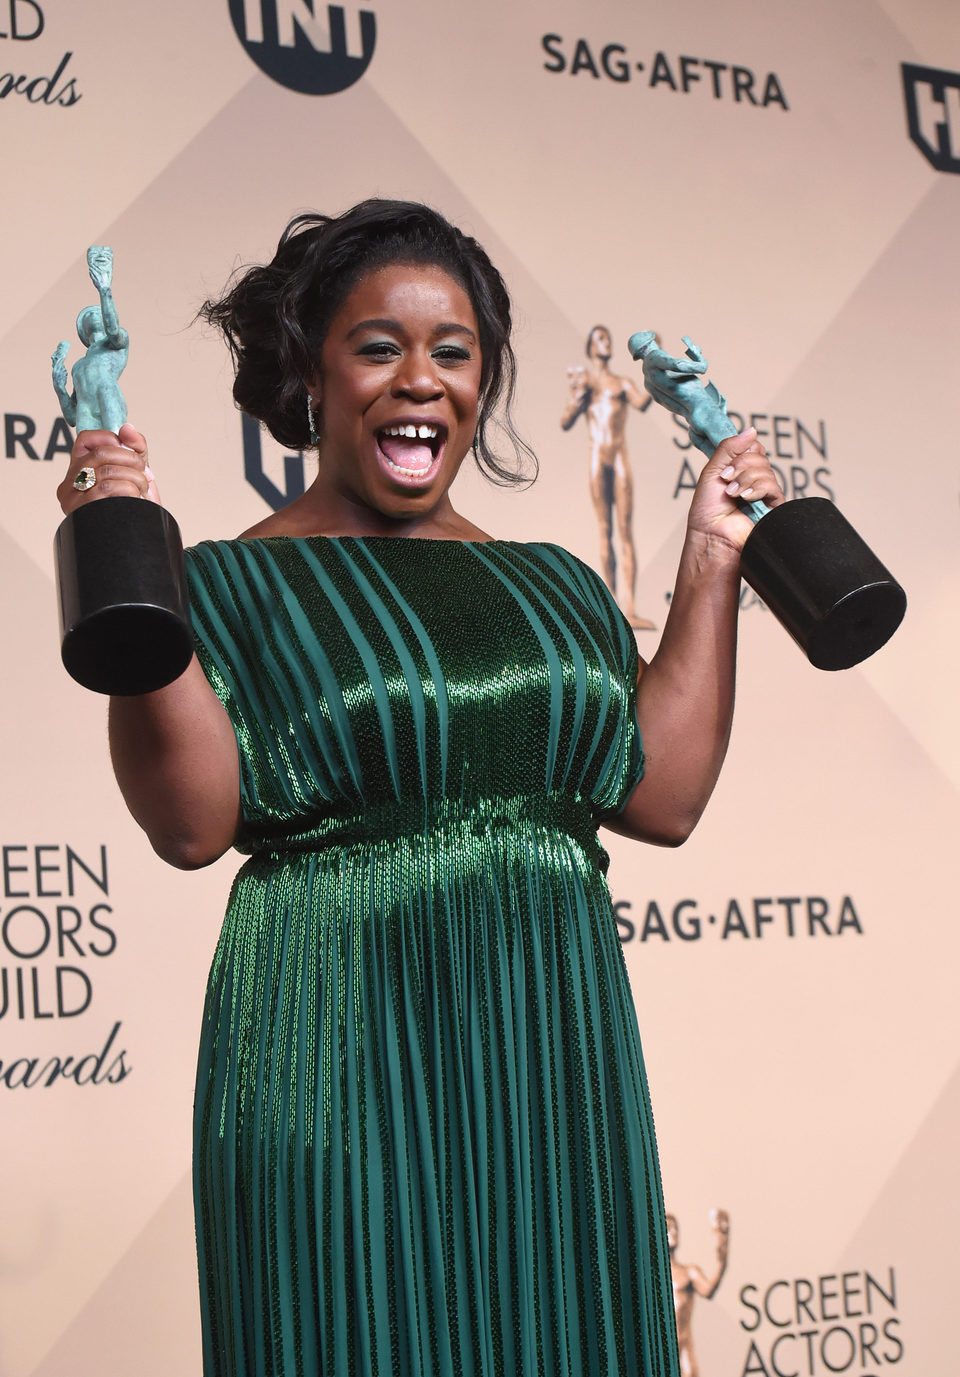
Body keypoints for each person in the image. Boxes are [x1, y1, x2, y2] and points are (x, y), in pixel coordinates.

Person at [56, 199, 783, 1377]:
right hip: (330, 1058)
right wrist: (116, 537)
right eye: (377, 347)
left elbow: (663, 798)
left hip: (553, 1063)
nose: (419, 381)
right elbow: (190, 826)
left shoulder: (553, 586)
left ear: (484, 380)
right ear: (312, 372)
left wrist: (709, 560)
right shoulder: (223, 585)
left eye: (452, 352)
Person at [560, 324, 655, 629]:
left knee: (625, 533)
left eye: (608, 339)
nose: (606, 342)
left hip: (620, 458)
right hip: (597, 460)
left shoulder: (622, 383)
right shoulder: (584, 384)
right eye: (600, 338)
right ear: (590, 346)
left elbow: (644, 402)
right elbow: (565, 420)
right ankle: (611, 610)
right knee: (604, 531)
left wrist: (655, 369)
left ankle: (630, 609)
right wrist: (576, 399)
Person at [51, 245, 129, 435]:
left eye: (98, 313)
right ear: (83, 330)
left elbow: (112, 329)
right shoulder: (78, 366)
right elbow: (71, 417)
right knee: (87, 460)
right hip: (85, 409)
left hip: (107, 395)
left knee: (117, 447)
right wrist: (59, 387)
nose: (95, 316)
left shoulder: (115, 344)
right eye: (89, 315)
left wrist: (104, 290)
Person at [666, 1209, 730, 1377]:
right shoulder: (650, 1277)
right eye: (668, 1227)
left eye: (675, 1228)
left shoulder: (689, 1272)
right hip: (663, 1353)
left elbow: (708, 1290)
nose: (673, 1232)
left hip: (684, 1349)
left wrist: (722, 1245)